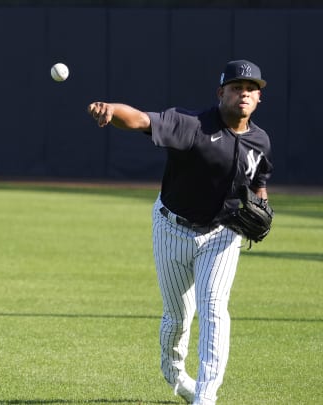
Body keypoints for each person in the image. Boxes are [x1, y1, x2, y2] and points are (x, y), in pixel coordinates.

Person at [87, 60, 272, 405]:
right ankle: (174, 374)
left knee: (214, 308)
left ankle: (206, 396)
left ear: (259, 98)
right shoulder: (191, 125)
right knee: (177, 317)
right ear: (221, 93)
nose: (243, 94)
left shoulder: (260, 142)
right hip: (171, 228)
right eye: (236, 88)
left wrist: (262, 205)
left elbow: (259, 181)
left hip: (221, 234)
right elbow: (143, 120)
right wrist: (112, 110)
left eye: (251, 89)